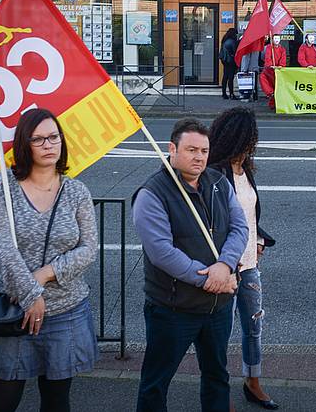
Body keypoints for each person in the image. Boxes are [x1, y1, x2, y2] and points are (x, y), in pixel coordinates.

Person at [0, 108, 99, 412]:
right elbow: (2, 247)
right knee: (1, 401)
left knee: (57, 401)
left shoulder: (76, 192)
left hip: (66, 312)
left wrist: (44, 275)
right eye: (38, 139)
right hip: (14, 312)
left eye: (53, 137)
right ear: (24, 144)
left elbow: (89, 248)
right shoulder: (0, 187)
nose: (48, 145)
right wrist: (31, 295)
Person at [132, 118, 248, 412]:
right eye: (191, 149)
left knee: (217, 376)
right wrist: (209, 278)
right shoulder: (152, 193)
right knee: (156, 381)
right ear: (172, 149)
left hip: (217, 307)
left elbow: (239, 227)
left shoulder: (219, 182)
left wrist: (224, 265)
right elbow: (161, 252)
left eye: (204, 151)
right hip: (173, 308)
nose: (199, 157)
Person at [208, 107, 278, 411]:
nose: (254, 144)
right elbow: (214, 222)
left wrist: (259, 239)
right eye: (250, 138)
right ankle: (218, 392)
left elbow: (248, 217)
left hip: (250, 264)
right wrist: (226, 262)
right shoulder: (216, 173)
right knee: (219, 334)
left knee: (253, 327)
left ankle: (253, 381)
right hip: (227, 267)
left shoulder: (245, 169)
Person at [259, 34, 287, 111]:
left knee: (277, 86)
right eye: (275, 38)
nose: (277, 40)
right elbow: (267, 57)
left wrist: (281, 65)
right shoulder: (269, 48)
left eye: (278, 38)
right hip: (269, 70)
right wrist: (270, 65)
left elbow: (283, 58)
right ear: (272, 39)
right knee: (263, 79)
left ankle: (276, 103)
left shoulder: (282, 49)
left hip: (278, 71)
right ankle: (270, 95)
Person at [220, 27, 239, 100]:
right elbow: (235, 52)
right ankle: (231, 94)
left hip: (224, 60)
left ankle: (224, 93)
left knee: (225, 77)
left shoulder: (225, 39)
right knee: (230, 77)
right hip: (230, 61)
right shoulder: (232, 41)